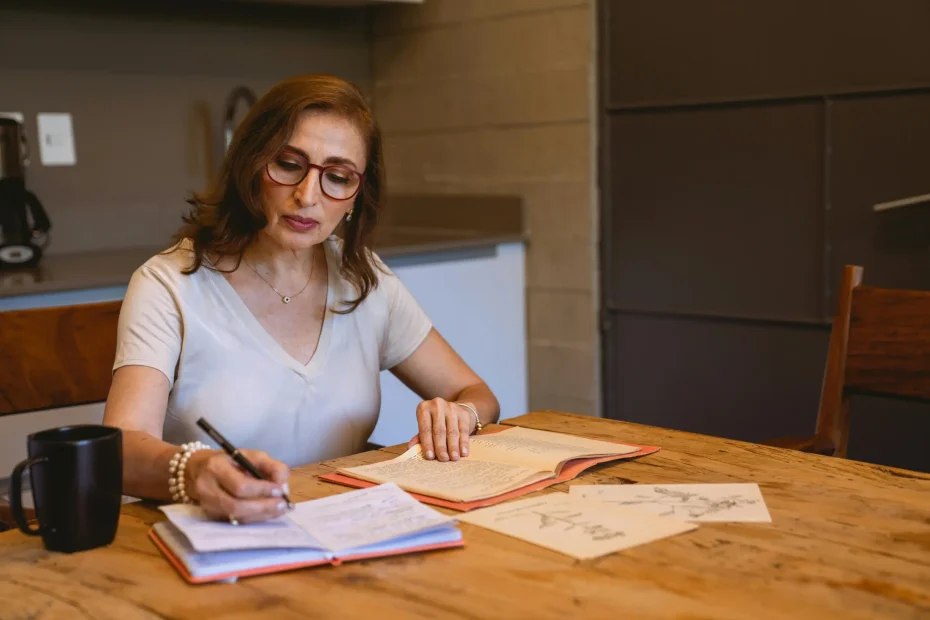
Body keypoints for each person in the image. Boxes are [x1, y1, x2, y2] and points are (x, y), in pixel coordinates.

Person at [102, 74, 500, 524]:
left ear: (355, 194)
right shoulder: (168, 284)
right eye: (289, 164)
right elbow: (121, 448)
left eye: (337, 176)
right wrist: (193, 470)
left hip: (340, 532)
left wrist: (461, 415)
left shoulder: (364, 279)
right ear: (251, 164)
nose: (307, 196)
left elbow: (476, 394)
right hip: (214, 543)